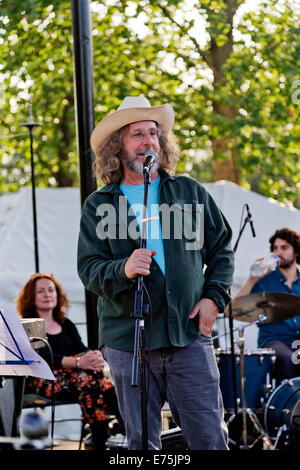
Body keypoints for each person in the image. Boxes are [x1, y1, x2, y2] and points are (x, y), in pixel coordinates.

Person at [77, 95, 234, 450]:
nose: (149, 141)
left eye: (154, 132)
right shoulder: (99, 205)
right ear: (117, 146)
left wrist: (214, 298)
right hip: (128, 343)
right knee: (141, 443)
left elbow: (222, 249)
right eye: (138, 134)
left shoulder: (189, 192)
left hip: (188, 336)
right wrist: (123, 268)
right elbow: (88, 270)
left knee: (209, 439)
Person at [16, 273, 124, 450]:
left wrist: (93, 356)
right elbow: (44, 359)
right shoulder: (28, 325)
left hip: (77, 381)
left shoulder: (65, 323)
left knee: (90, 381)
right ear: (31, 297)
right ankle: (117, 431)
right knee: (94, 380)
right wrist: (78, 363)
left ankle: (102, 438)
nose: (47, 294)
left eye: (51, 290)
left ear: (57, 294)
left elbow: (80, 349)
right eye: (40, 291)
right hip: (43, 380)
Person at [234, 228, 300, 383]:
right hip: (275, 341)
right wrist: (252, 280)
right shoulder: (264, 280)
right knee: (286, 358)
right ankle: (286, 405)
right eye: (275, 248)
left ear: (296, 251)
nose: (278, 252)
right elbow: (235, 308)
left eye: (284, 248)